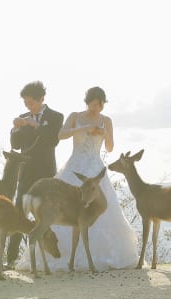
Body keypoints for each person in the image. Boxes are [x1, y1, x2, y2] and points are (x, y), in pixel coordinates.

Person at [21, 86, 138, 271]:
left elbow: (109, 147)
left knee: (102, 208)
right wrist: (82, 128)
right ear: (87, 102)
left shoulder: (106, 120)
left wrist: (104, 133)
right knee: (64, 206)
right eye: (93, 105)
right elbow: (61, 135)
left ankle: (102, 256)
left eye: (100, 106)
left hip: (96, 169)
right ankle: (60, 257)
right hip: (75, 167)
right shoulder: (75, 116)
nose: (96, 109)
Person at [8, 80, 63, 266]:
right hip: (25, 174)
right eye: (25, 103)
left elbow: (53, 140)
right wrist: (15, 128)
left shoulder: (56, 116)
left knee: (46, 214)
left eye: (30, 102)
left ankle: (49, 256)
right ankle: (11, 258)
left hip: (46, 173)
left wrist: (35, 125)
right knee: (18, 213)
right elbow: (15, 145)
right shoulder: (22, 117)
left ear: (41, 99)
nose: (28, 106)